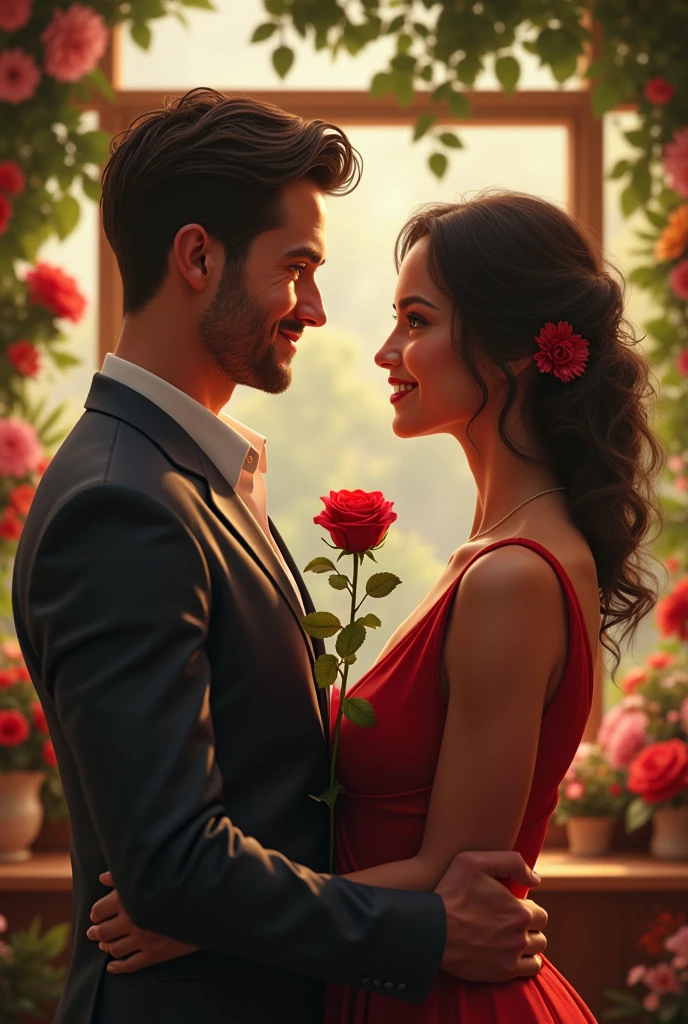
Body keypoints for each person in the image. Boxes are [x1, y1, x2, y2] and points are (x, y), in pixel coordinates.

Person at [12, 91, 547, 1024]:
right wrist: (423, 927)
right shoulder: (120, 503)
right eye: (297, 268)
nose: (317, 308)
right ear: (197, 257)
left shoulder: (190, 474)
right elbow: (172, 864)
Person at [90, 190, 662, 1022]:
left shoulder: (516, 575)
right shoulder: (492, 550)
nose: (387, 351)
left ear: (512, 350)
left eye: (417, 322)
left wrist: (202, 920)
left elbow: (457, 871)